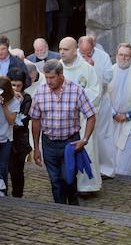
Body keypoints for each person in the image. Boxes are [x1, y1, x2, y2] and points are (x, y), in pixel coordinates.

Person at [30, 59, 96, 205]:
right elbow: (35, 120)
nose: (48, 81)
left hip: (70, 142)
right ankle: (60, 210)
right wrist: (36, 148)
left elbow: (91, 115)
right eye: (46, 77)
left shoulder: (76, 90)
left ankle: (73, 207)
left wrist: (85, 139)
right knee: (55, 181)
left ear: (61, 74)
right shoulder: (40, 93)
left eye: (52, 77)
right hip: (49, 143)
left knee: (69, 179)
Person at [98, 43, 131, 179]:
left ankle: (127, 178)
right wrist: (114, 114)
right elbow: (104, 95)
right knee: (111, 148)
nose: (123, 58)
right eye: (121, 54)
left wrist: (127, 116)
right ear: (116, 55)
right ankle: (110, 173)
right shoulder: (110, 72)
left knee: (127, 152)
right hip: (112, 119)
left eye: (127, 55)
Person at [59, 37, 102, 191]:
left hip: (83, 119)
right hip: (62, 120)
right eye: (60, 49)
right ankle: (67, 183)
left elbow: (96, 92)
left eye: (66, 49)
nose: (62, 52)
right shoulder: (57, 68)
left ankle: (87, 186)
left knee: (86, 149)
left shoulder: (87, 69)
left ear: (75, 49)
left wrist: (77, 100)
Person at [6, 68, 32, 198]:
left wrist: (19, 103)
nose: (16, 88)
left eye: (18, 85)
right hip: (5, 137)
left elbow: (23, 120)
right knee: (4, 168)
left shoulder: (26, 98)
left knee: (17, 171)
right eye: (13, 85)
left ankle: (17, 195)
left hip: (19, 141)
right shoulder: (3, 97)